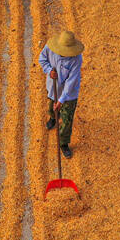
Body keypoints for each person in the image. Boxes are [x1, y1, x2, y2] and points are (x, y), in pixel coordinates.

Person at [38, 30, 84, 158]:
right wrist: (48, 70)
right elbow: (42, 59)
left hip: (69, 94)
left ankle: (63, 143)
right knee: (51, 107)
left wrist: (62, 100)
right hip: (53, 88)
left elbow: (71, 82)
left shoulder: (76, 59)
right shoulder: (49, 48)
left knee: (67, 118)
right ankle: (53, 118)